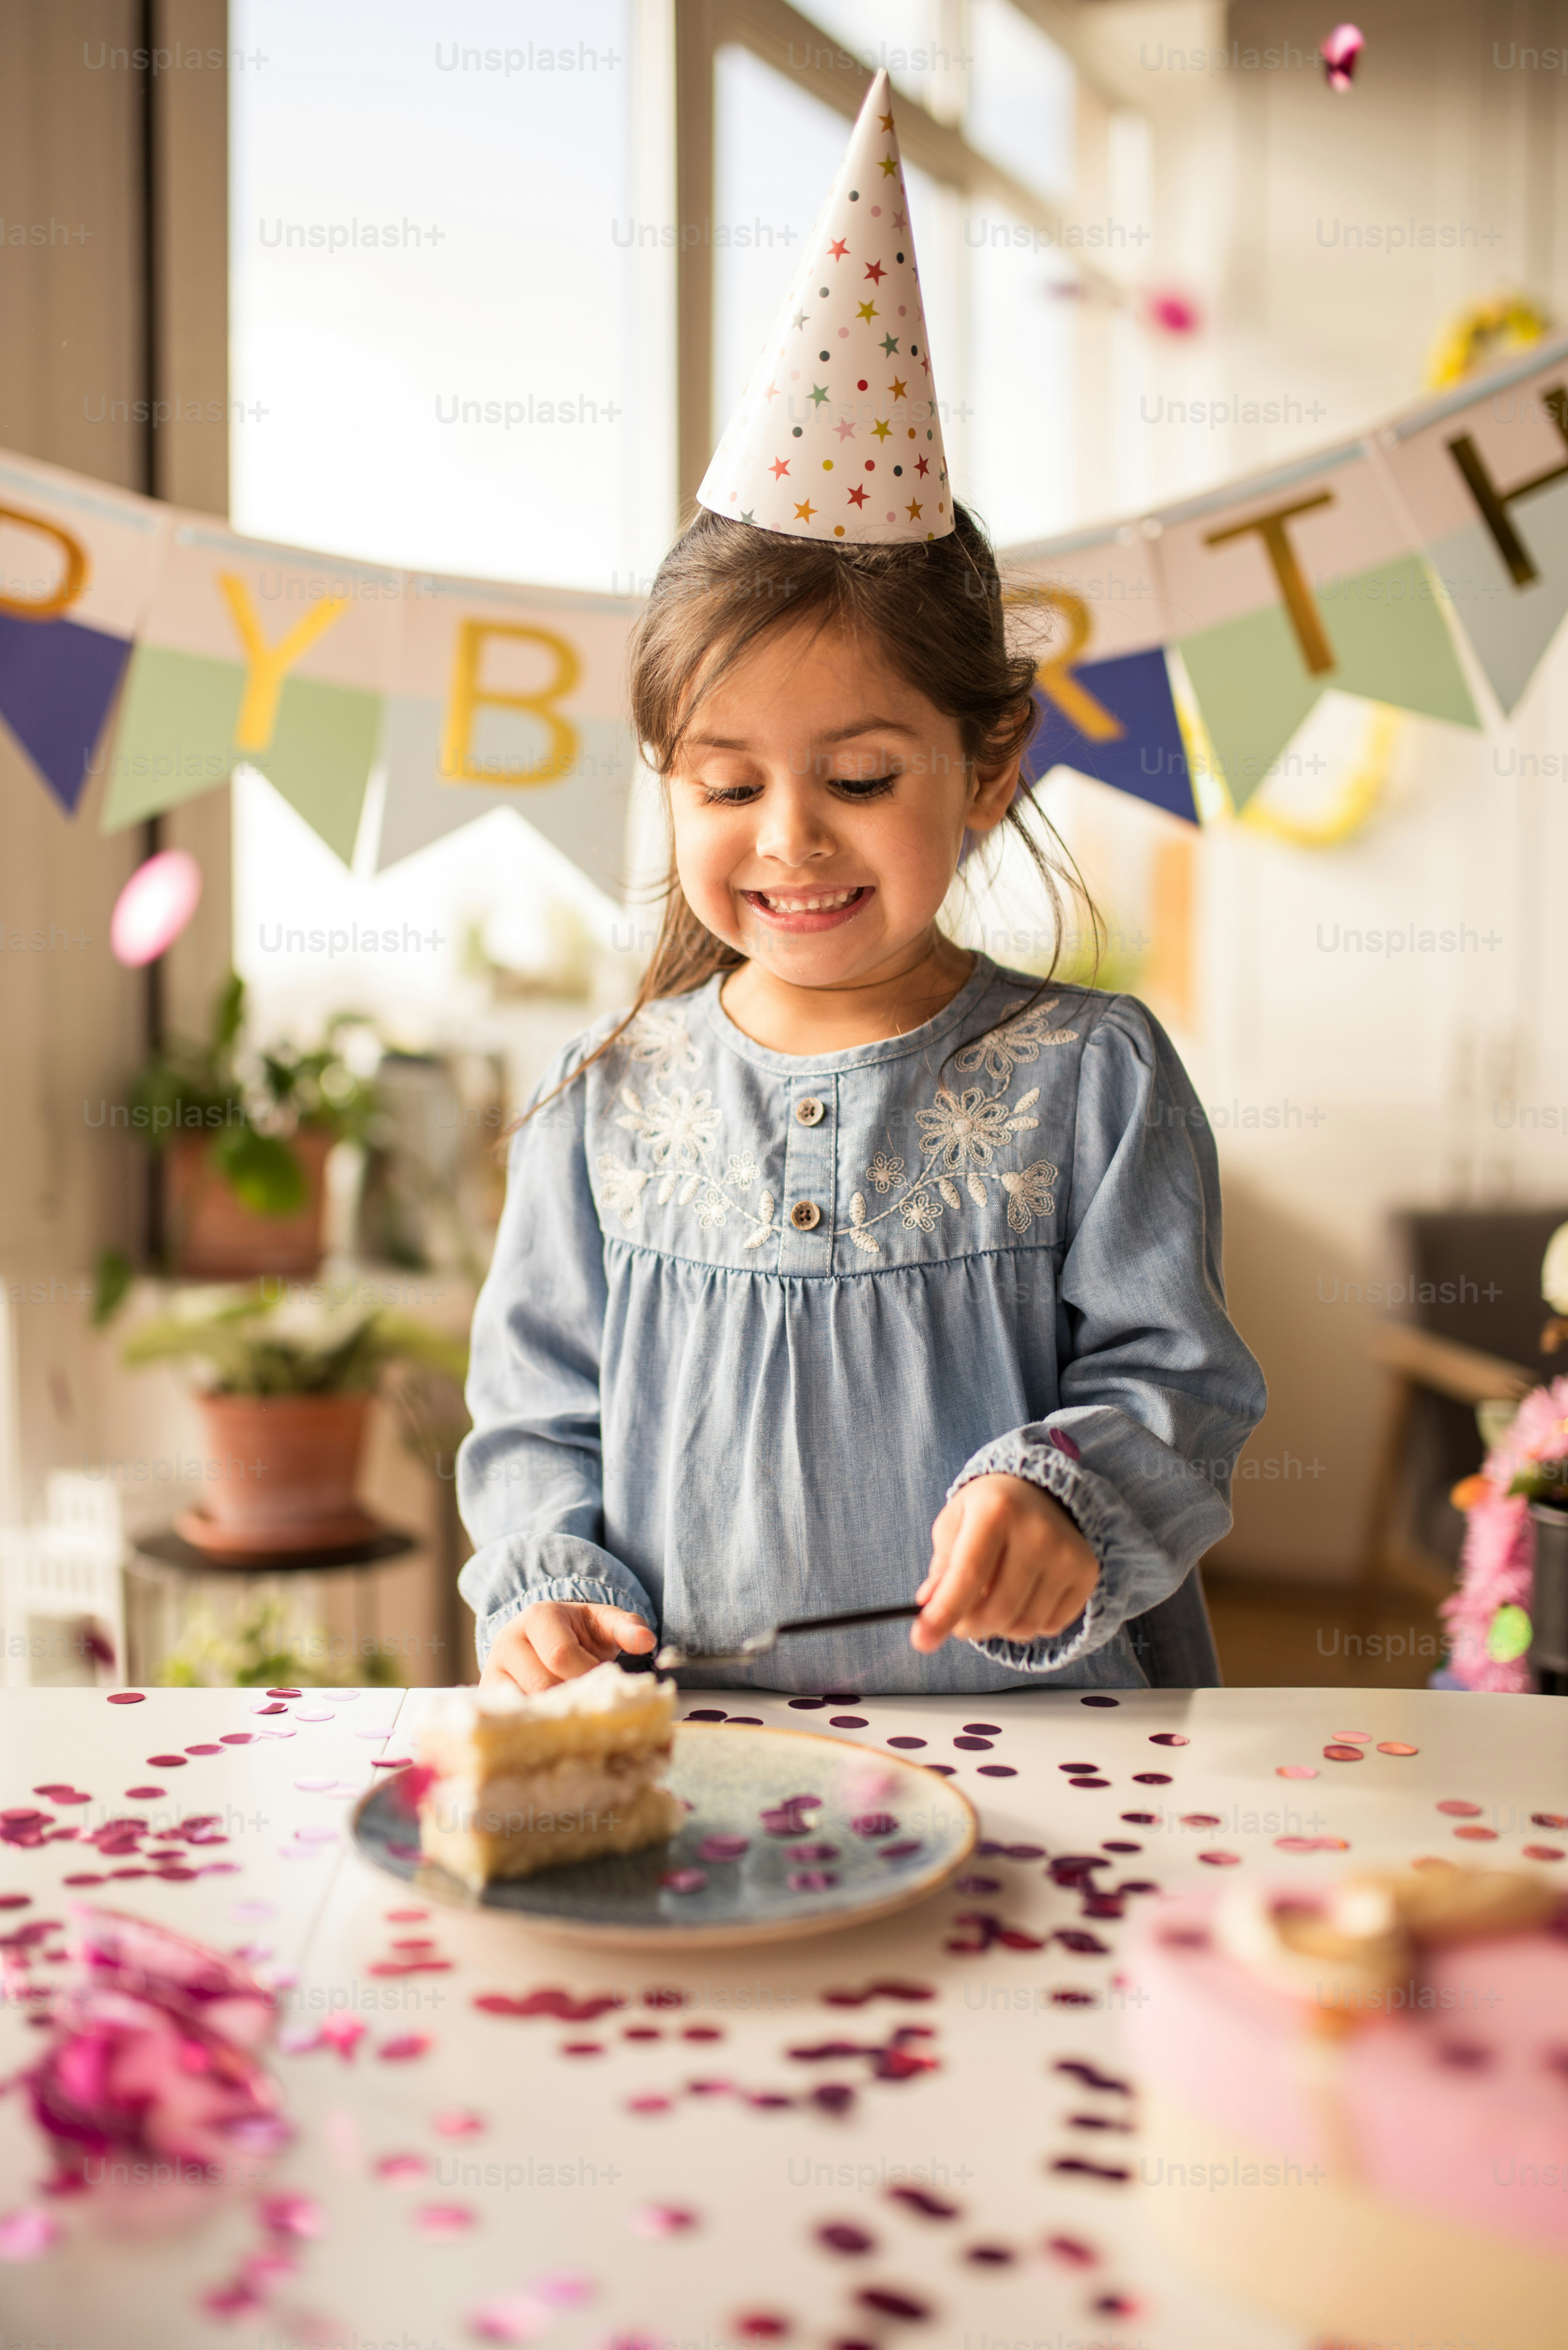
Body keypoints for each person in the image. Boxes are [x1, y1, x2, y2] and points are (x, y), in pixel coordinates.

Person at [456, 73, 1265, 1700]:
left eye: (860, 778)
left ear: (986, 765)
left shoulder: (1090, 1079)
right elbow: (536, 1423)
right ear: (668, 779)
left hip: (1063, 1770)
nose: (791, 839)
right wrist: (543, 1589)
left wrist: (1062, 1488)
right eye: (727, 781)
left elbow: (1181, 1381)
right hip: (713, 1765)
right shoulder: (599, 1106)